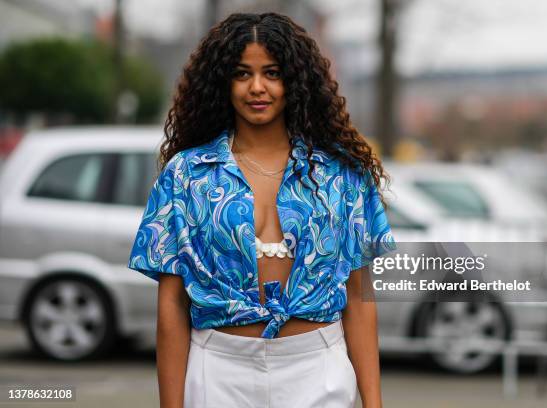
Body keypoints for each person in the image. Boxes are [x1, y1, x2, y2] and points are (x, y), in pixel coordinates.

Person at [127, 12, 397, 408]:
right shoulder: (186, 175)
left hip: (317, 369)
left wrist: (373, 403)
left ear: (295, 80)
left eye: (272, 73)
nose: (257, 87)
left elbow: (357, 297)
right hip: (218, 370)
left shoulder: (341, 175)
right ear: (222, 82)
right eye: (241, 74)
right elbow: (171, 303)